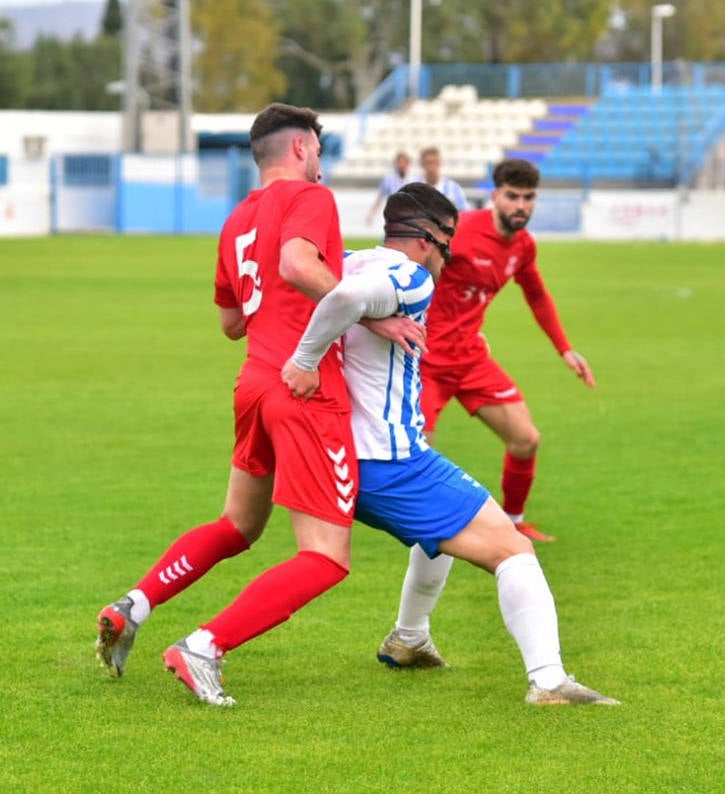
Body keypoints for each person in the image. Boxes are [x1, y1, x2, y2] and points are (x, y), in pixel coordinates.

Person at [280, 182, 618, 706]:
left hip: (343, 453)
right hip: (389, 462)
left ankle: (409, 639)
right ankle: (549, 681)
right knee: (513, 549)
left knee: (439, 535)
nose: (448, 260)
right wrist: (303, 362)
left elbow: (323, 291)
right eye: (447, 246)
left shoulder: (349, 260)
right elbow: (345, 302)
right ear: (426, 239)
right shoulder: (409, 275)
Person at [94, 103, 382, 706]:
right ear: (302, 149)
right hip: (304, 386)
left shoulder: (237, 219)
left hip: (253, 382)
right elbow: (298, 263)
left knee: (238, 526)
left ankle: (133, 605)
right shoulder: (311, 199)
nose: (321, 166)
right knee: (326, 557)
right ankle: (204, 645)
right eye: (321, 154)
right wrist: (366, 308)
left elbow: (231, 321)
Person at [419, 158, 593, 542]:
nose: (521, 206)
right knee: (418, 453)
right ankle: (428, 528)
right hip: (425, 361)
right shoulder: (460, 231)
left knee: (526, 439)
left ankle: (514, 522)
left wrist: (565, 349)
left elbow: (536, 294)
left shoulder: (523, 246)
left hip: (470, 359)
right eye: (512, 196)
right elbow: (412, 267)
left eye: (528, 198)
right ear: (495, 196)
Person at [414, 146, 468, 211]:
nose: (431, 167)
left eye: (434, 162)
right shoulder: (415, 189)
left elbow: (464, 212)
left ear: (439, 163)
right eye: (428, 163)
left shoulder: (453, 188)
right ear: (422, 165)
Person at [366, 151, 412, 226]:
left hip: (409, 217)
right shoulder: (388, 179)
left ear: (408, 164)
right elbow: (380, 198)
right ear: (396, 164)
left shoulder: (413, 179)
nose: (402, 165)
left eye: (404, 162)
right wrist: (372, 214)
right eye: (399, 162)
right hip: (393, 216)